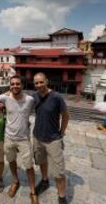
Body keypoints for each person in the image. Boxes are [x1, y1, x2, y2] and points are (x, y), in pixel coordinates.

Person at [0, 75, 39, 204]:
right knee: (11, 161)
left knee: (28, 166)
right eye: (13, 84)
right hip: (9, 136)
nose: (15, 86)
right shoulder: (4, 98)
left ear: (22, 85)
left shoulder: (30, 99)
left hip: (24, 138)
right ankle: (15, 181)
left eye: (18, 84)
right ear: (10, 86)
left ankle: (33, 191)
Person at [32, 73, 69, 204]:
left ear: (47, 81)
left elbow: (65, 115)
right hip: (37, 136)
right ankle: (44, 180)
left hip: (53, 138)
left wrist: (62, 132)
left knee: (59, 172)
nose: (39, 85)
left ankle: (62, 196)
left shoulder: (56, 97)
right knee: (41, 161)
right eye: (36, 83)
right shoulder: (34, 96)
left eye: (41, 82)